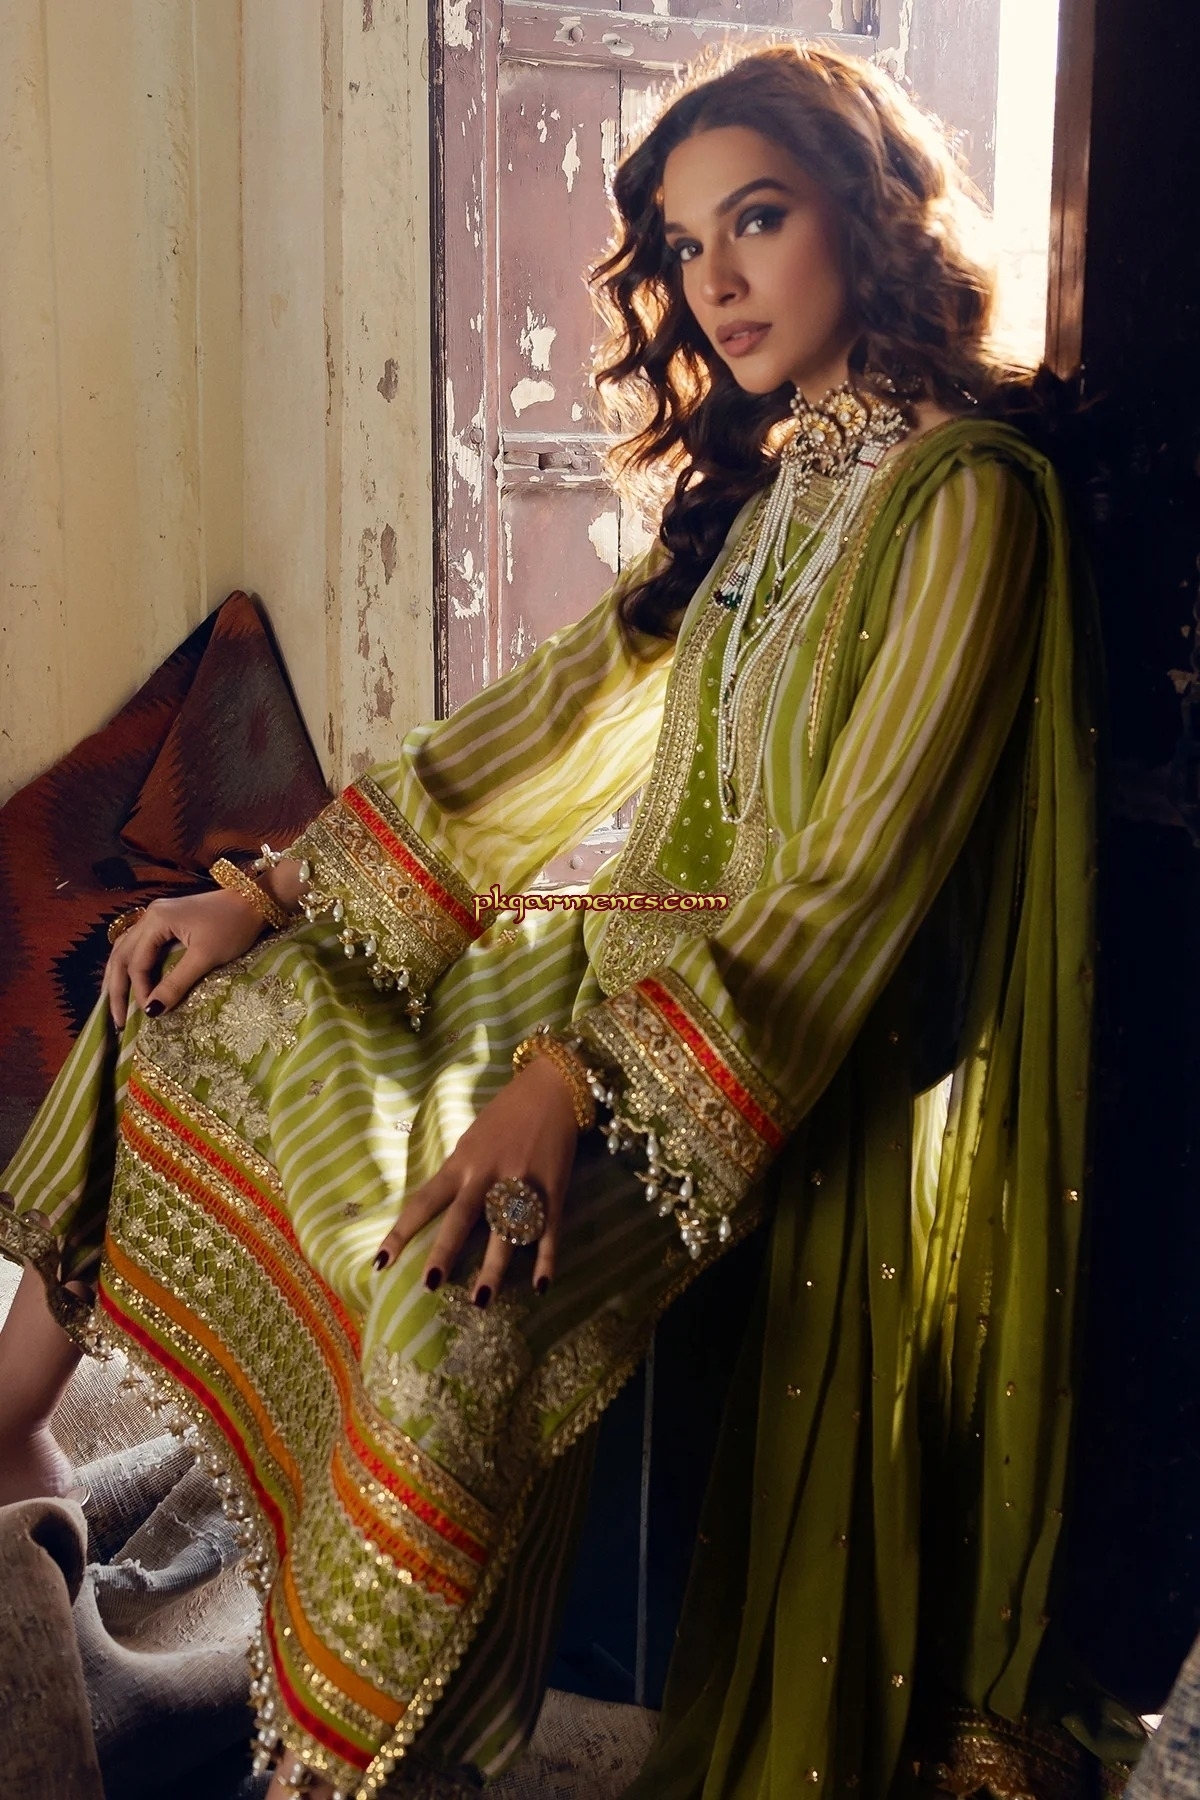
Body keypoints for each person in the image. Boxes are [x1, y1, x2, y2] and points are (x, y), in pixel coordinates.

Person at [0, 39, 1137, 1800]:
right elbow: (533, 726)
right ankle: (11, 1437)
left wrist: (569, 1083)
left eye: (757, 218)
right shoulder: (774, 487)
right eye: (686, 244)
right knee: (188, 1000)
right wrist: (272, 891)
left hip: (731, 1065)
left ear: (874, 214)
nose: (717, 280)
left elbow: (853, 884)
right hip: (578, 983)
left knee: (444, 1318)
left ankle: (364, 1746)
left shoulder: (968, 498)